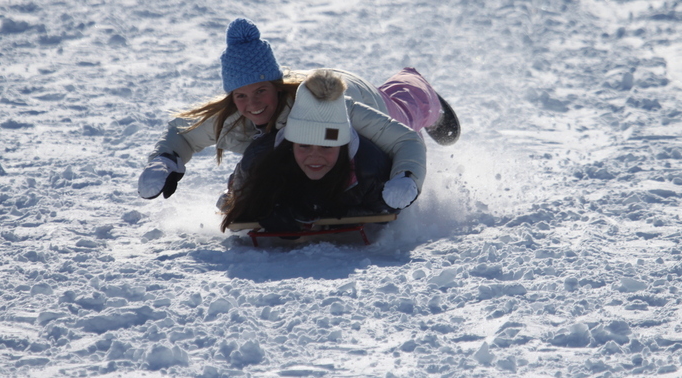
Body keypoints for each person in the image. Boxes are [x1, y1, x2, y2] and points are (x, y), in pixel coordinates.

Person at [137, 17, 460, 204]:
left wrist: (406, 177)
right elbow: (184, 132)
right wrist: (165, 160)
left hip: (353, 93)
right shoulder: (234, 117)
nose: (253, 105)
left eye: (261, 91)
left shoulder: (324, 108)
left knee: (401, 112)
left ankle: (416, 87)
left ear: (276, 88)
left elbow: (402, 139)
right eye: (242, 96)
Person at [220, 69, 432, 233]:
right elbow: (236, 205)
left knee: (406, 113)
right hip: (317, 95)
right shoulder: (258, 160)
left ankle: (416, 85)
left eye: (326, 146)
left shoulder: (368, 170)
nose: (315, 156)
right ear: (290, 145)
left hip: (366, 99)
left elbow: (387, 206)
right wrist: (266, 209)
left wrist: (406, 179)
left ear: (341, 147)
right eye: (304, 146)